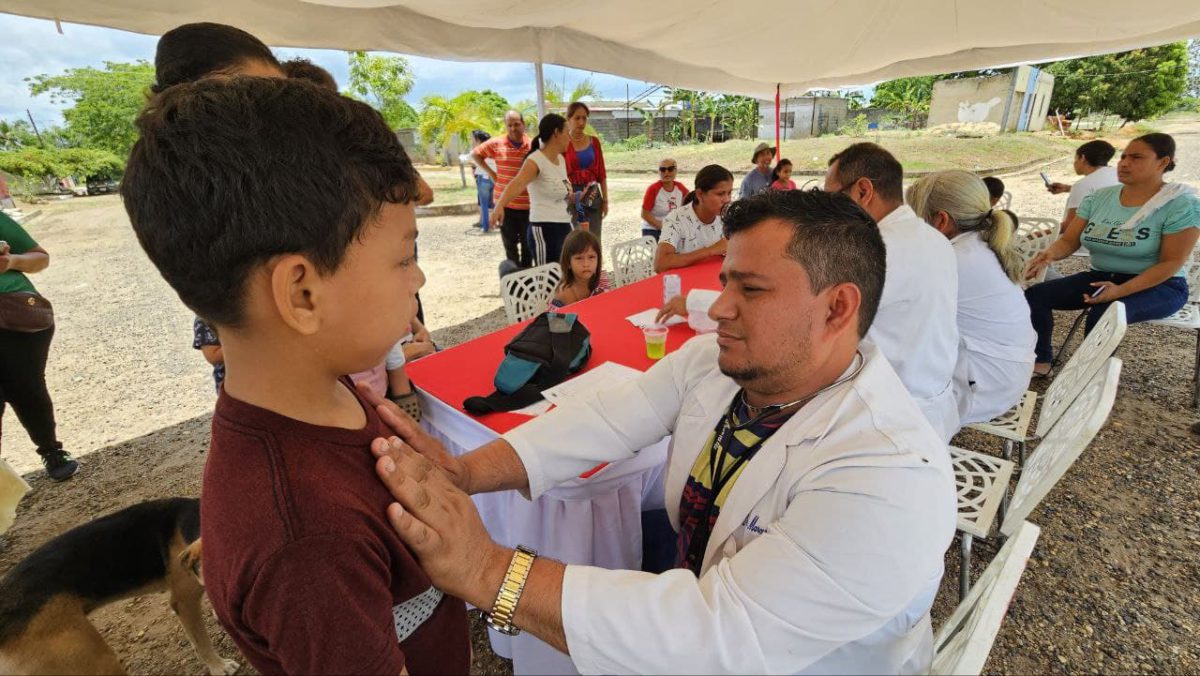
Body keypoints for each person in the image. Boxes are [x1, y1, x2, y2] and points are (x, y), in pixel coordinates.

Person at [365, 189, 955, 674]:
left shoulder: (889, 474)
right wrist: (465, 471)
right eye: (725, 282)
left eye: (750, 289)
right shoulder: (720, 367)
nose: (718, 308)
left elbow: (719, 635)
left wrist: (490, 572)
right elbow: (606, 418)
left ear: (837, 308)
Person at [123, 77, 470, 673]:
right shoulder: (307, 543)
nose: (418, 279)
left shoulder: (322, 389)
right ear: (302, 294)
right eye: (405, 256)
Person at [1024, 133, 1199, 376]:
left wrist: (1119, 291)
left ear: (1163, 162)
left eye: (1136, 157)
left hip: (1161, 285)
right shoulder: (1099, 198)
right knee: (1036, 295)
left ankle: (1089, 377)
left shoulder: (1181, 204)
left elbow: (1171, 263)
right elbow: (1069, 241)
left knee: (1106, 312)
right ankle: (1041, 361)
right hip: (1103, 276)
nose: (1124, 163)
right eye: (1123, 157)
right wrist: (1049, 253)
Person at [825, 142, 960, 442]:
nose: (828, 212)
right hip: (931, 399)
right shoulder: (932, 237)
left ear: (863, 191)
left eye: (831, 199)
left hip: (892, 416)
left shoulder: (877, 250)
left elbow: (820, 320)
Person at [907, 171, 1036, 424]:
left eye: (915, 218)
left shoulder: (952, 258)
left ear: (941, 221)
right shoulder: (981, 243)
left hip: (984, 386)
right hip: (1006, 373)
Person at [0, 213, 76, 481]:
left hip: (17, 317)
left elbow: (40, 257)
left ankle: (51, 450)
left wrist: (11, 261)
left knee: (27, 388)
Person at [490, 114, 573, 267]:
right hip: (544, 228)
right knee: (548, 277)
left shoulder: (560, 160)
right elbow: (518, 183)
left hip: (564, 225)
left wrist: (576, 197)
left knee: (565, 274)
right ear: (556, 133)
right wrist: (499, 206)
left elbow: (564, 191)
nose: (570, 138)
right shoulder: (535, 160)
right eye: (567, 132)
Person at [475, 111, 533, 267]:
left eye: (516, 124)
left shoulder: (532, 145)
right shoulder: (496, 143)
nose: (513, 128)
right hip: (505, 206)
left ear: (523, 124)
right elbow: (475, 154)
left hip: (528, 206)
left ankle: (527, 277)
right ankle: (514, 278)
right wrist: (491, 173)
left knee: (528, 246)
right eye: (509, 125)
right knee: (510, 246)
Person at [653, 164, 733, 273]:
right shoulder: (676, 219)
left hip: (714, 276)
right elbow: (660, 264)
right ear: (700, 194)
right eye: (720, 194)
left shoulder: (727, 216)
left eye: (729, 193)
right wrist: (711, 250)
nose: (727, 199)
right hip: (685, 280)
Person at [1047, 140, 1120, 233]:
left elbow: (1070, 226)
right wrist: (1067, 188)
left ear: (1082, 158)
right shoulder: (1117, 174)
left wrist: (1033, 235)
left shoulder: (1083, 185)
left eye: (1075, 158)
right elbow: (1099, 190)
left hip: (1088, 238)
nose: (1074, 163)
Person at [563, 102, 609, 239]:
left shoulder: (594, 142)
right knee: (575, 240)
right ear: (569, 119)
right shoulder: (562, 143)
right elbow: (560, 174)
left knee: (594, 239)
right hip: (572, 195)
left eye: (584, 118)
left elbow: (602, 173)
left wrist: (605, 201)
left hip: (593, 194)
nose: (581, 122)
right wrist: (569, 194)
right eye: (577, 118)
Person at [549, 230, 610, 309]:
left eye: (591, 257)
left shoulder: (601, 279)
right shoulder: (565, 293)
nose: (586, 264)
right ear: (568, 262)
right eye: (579, 258)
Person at [640, 158, 689, 240]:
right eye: (662, 169)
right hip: (652, 229)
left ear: (675, 171)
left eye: (670, 169)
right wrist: (663, 226)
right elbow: (644, 214)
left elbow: (690, 205)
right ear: (659, 172)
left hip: (671, 228)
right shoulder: (653, 189)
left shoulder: (680, 188)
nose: (666, 172)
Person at [464, 130, 497, 234]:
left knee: (484, 204)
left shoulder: (479, 149)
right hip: (495, 178)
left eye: (473, 139)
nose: (472, 141)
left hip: (483, 178)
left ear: (478, 139)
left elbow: (464, 159)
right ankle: (496, 224)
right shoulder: (494, 148)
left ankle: (486, 227)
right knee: (495, 203)